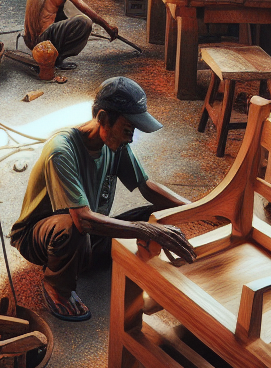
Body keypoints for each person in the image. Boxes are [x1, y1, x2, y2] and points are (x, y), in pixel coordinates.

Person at [11, 77, 196, 321]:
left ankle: (93, 259)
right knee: (74, 225)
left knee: (152, 215)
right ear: (102, 118)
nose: (130, 138)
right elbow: (83, 221)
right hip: (42, 239)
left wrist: (199, 208)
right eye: (127, 130)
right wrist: (146, 232)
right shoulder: (60, 150)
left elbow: (146, 187)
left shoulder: (115, 142)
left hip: (89, 235)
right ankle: (57, 286)